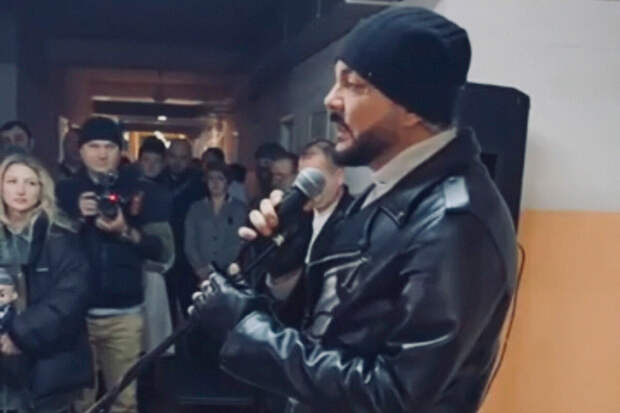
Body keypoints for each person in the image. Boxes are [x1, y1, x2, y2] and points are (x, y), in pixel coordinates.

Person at [190, 7, 517, 413]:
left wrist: (250, 331)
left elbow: (394, 396)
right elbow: (332, 328)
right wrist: (285, 267)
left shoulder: (455, 224)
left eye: (354, 85)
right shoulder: (386, 190)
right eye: (336, 81)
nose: (330, 99)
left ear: (413, 107)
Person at [56, 117, 172, 413]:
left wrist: (125, 231)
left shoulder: (142, 191)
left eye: (109, 146)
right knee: (79, 401)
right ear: (81, 150)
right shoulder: (63, 192)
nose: (101, 154)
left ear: (120, 151)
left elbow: (162, 251)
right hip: (75, 313)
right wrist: (75, 217)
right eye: (93, 146)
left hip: (124, 313)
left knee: (124, 401)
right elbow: (49, 249)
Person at [0, 154, 91, 413]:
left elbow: (71, 297)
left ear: (42, 189)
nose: (20, 190)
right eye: (12, 181)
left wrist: (18, 334)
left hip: (46, 360)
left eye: (30, 183)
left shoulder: (61, 236)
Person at [160, 140, 205, 322]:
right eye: (173, 156)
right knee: (165, 307)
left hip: (189, 253)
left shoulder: (199, 183)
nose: (177, 162)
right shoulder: (158, 179)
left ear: (190, 159)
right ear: (166, 157)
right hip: (163, 250)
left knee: (191, 306)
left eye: (183, 157)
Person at [184, 162, 246, 283]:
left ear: (227, 182)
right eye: (211, 178)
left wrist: (215, 267)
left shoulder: (239, 209)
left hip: (228, 272)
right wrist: (199, 267)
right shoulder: (195, 208)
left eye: (220, 178)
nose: (215, 182)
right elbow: (189, 242)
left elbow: (239, 243)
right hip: (200, 273)